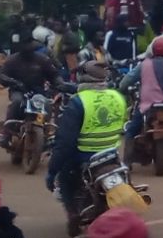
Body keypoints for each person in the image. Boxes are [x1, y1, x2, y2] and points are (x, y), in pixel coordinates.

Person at [47, 67, 128, 211]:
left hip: (84, 156)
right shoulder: (117, 96)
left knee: (64, 176)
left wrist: (52, 171)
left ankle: (73, 214)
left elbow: (65, 142)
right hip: (111, 154)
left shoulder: (78, 101)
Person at [0, 36, 63, 148]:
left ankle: (47, 134)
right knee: (17, 102)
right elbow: (2, 75)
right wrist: (14, 82)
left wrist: (60, 83)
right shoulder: (12, 60)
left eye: (29, 44)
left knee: (46, 104)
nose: (27, 47)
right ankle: (6, 134)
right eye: (24, 45)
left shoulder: (43, 60)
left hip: (38, 92)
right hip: (18, 91)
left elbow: (54, 75)